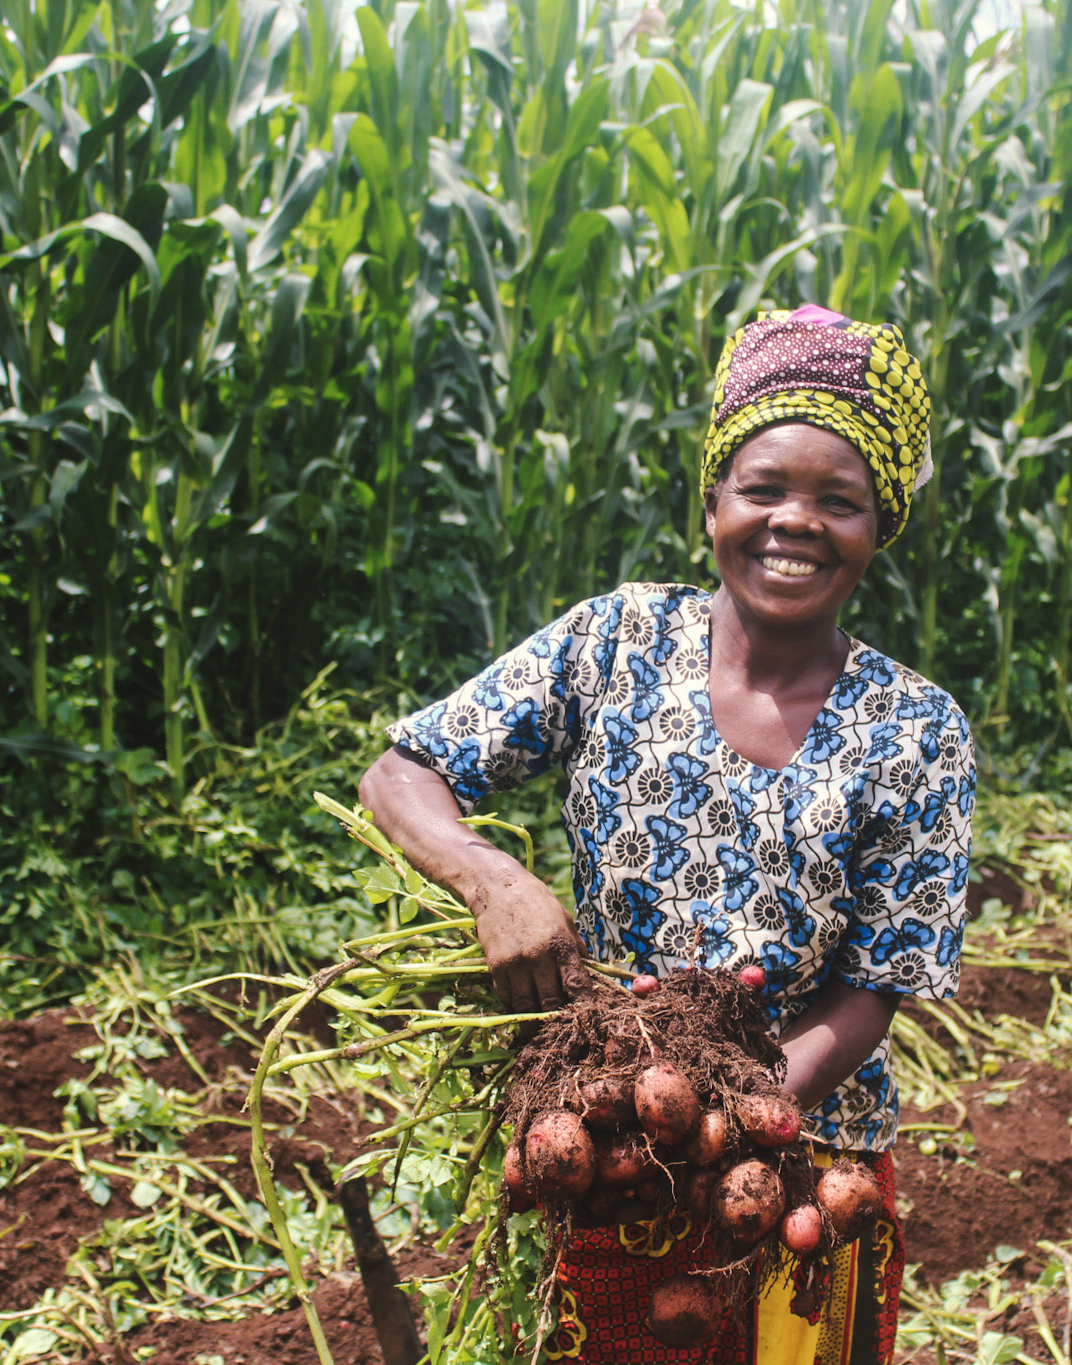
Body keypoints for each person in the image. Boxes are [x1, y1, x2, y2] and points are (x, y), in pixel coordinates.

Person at [358, 305, 974, 1365]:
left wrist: (742, 1110)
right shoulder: (616, 642)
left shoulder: (915, 731)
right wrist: (489, 878)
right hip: (610, 1153)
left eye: (839, 501)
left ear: (880, 529)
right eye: (763, 487)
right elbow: (402, 771)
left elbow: (875, 985)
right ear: (711, 501)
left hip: (803, 1156)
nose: (794, 523)